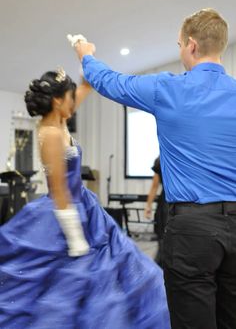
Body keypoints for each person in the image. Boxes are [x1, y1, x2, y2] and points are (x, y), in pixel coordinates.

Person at [74, 8, 236, 329]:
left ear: (190, 45)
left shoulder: (168, 88)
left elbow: (109, 82)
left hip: (192, 230)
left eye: (178, 45)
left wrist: (86, 54)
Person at [0, 68, 170, 328]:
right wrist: (76, 236)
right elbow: (58, 192)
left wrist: (85, 61)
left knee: (116, 267)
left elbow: (81, 91)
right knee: (68, 280)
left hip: (84, 206)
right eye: (69, 98)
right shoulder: (51, 132)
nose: (74, 103)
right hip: (64, 210)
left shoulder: (59, 119)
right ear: (58, 101)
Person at [144, 157, 168, 267]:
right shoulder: (183, 155)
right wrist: (148, 205)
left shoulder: (161, 159)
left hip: (166, 202)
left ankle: (159, 269)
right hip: (178, 202)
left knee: (163, 238)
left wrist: (148, 206)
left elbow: (155, 186)